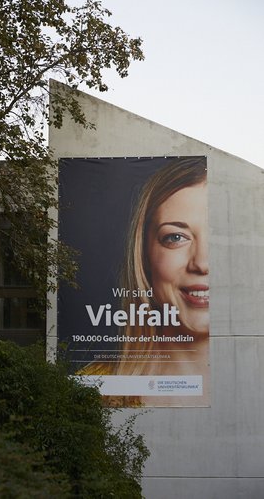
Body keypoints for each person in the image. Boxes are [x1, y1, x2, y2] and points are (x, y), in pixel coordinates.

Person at [81, 157, 209, 406]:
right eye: (175, 237)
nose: (202, 263)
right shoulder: (94, 386)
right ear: (144, 256)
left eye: (217, 237)